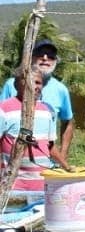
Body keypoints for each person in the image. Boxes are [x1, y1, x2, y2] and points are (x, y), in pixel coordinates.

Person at [0, 39, 74, 164]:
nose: (45, 58)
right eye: (41, 53)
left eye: (50, 55)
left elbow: (68, 122)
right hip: (11, 167)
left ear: (55, 61)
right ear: (31, 57)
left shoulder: (61, 89)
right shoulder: (12, 85)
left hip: (45, 165)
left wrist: (63, 155)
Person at [0, 68, 68, 197]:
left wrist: (66, 167)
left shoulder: (46, 111)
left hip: (42, 186)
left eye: (38, 83)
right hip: (13, 188)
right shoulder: (4, 110)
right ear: (18, 84)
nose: (36, 86)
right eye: (31, 82)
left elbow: (50, 146)